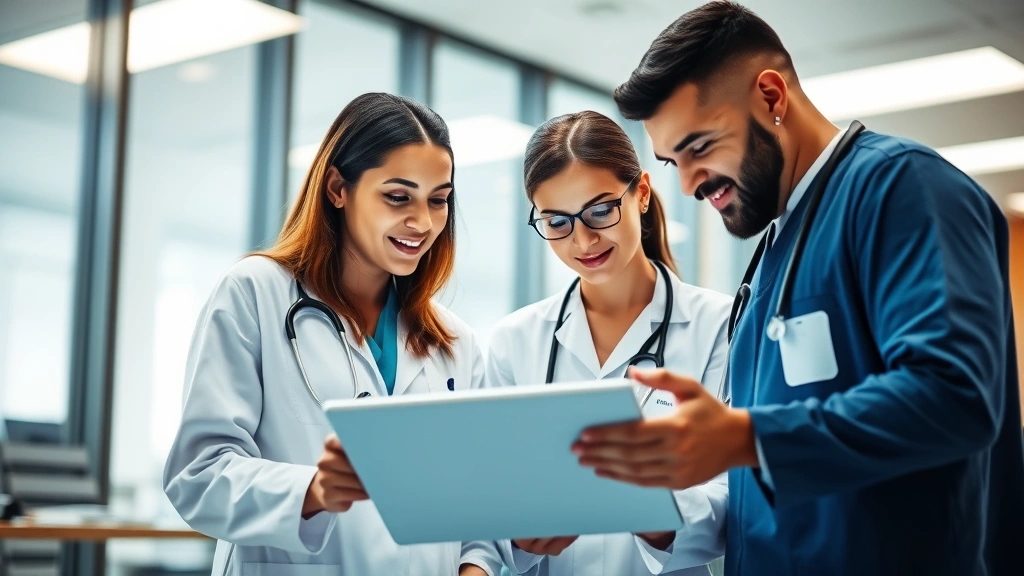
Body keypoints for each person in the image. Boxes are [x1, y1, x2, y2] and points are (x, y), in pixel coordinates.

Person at [572, 2, 1024, 575]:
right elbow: (766, 491)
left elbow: (955, 396)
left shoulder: (902, 187)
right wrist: (647, 501)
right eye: (671, 161)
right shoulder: (775, 248)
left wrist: (745, 435)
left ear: (771, 96)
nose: (686, 184)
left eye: (700, 148)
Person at [163, 93, 492, 576]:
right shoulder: (255, 293)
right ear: (338, 187)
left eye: (438, 200)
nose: (422, 222)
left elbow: (478, 503)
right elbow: (198, 476)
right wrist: (313, 490)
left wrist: (476, 568)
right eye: (398, 197)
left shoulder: (454, 342)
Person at [464, 111, 731, 576]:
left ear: (642, 193)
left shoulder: (720, 326)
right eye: (556, 221)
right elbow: (488, 503)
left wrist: (658, 516)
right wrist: (514, 537)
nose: (583, 240)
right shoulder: (515, 341)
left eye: (601, 210)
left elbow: (739, 495)